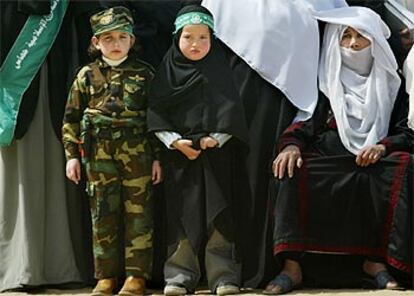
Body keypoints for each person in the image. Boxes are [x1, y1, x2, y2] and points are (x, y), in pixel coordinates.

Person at [266, 6, 413, 294]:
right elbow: (306, 120)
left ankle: (375, 262)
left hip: (375, 158)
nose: (354, 44)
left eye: (362, 37)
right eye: (346, 36)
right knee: (291, 169)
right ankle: (292, 267)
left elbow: (406, 131)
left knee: (404, 166)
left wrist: (383, 147)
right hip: (330, 154)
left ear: (377, 44)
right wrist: (291, 145)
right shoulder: (325, 83)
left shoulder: (393, 85)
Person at [147, 5, 249, 296]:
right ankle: (179, 276)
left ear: (213, 39)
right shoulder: (167, 72)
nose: (196, 44)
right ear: (177, 37)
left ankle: (223, 277)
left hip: (216, 157)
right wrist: (174, 141)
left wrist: (216, 138)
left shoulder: (221, 70)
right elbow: (156, 113)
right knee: (180, 215)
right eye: (188, 37)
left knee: (220, 216)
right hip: (179, 158)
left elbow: (233, 112)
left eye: (203, 37)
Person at [62, 6, 162, 296]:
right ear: (95, 42)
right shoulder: (86, 75)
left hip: (138, 154)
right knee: (103, 213)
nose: (115, 44)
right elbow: (70, 118)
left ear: (132, 40)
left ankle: (136, 277)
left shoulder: (145, 74)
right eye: (107, 38)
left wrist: (157, 157)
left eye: (121, 37)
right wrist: (71, 156)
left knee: (139, 214)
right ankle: (105, 277)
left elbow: (156, 119)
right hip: (98, 154)